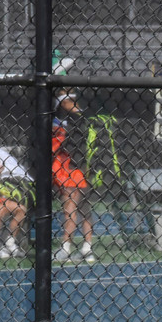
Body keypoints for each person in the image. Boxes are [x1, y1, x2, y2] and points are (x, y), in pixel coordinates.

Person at [52, 89, 95, 263]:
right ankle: (87, 249)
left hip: (69, 170)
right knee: (84, 210)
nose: (73, 100)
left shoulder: (72, 121)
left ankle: (66, 248)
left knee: (70, 209)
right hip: (80, 169)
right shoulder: (74, 119)